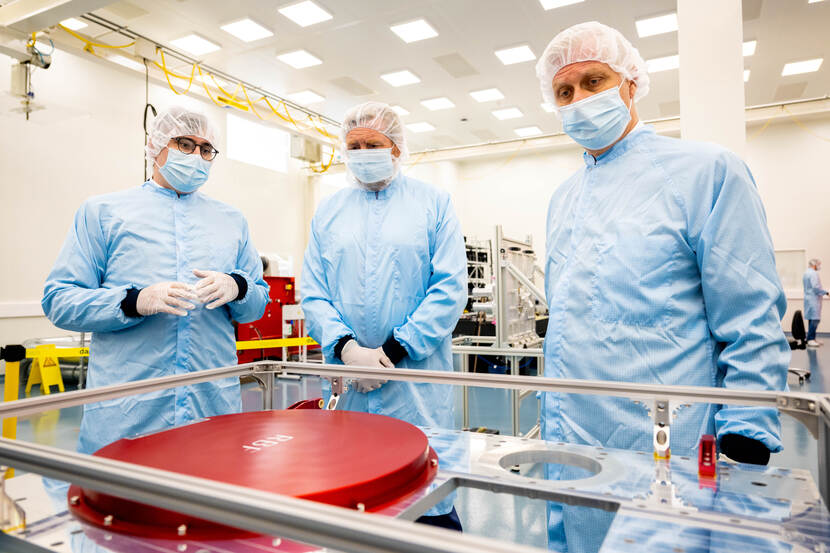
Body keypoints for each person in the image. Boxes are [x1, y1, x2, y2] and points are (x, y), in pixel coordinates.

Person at [534, 22, 790, 552]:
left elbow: (750, 313)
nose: (579, 100)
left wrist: (747, 424)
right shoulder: (564, 198)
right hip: (572, 437)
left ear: (630, 83)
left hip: (665, 442)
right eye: (565, 91)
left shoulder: (705, 172)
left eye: (593, 81)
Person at [42, 105, 270, 459]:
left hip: (211, 408)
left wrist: (239, 287)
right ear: (155, 145)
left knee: (211, 507)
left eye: (206, 149)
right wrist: (131, 301)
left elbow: (256, 306)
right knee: (121, 507)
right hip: (127, 415)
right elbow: (59, 299)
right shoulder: (103, 213)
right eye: (184, 143)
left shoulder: (232, 221)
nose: (196, 156)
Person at [300, 101, 467, 530]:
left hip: (416, 383)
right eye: (354, 145)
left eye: (373, 143)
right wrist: (345, 348)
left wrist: (394, 349)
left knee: (424, 500)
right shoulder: (329, 211)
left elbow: (449, 289)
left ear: (396, 148)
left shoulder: (434, 204)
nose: (362, 152)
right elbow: (313, 292)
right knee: (355, 498)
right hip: (348, 381)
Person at [803, 258, 827, 347]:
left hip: (809, 299)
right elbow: (816, 287)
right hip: (813, 300)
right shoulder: (813, 273)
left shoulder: (806, 273)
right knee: (815, 319)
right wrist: (826, 293)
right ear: (814, 264)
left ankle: (810, 338)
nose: (819, 266)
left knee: (811, 319)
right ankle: (811, 339)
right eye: (819, 264)